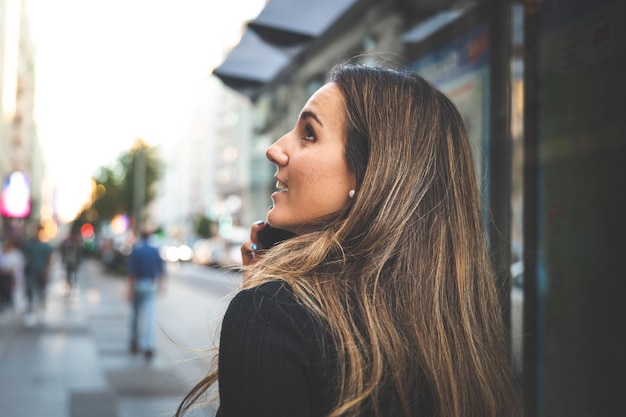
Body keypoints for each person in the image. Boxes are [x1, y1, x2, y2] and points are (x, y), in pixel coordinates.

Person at [176, 62, 521, 417]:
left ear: (373, 175)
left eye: (309, 133)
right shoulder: (458, 335)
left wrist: (262, 303)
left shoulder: (273, 316)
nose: (276, 149)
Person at [127, 228, 165, 360]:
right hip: (150, 285)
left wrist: (130, 291)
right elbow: (161, 270)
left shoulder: (136, 250)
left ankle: (134, 341)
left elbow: (132, 273)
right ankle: (148, 346)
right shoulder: (155, 250)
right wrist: (161, 286)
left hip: (138, 285)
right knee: (150, 317)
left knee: (136, 315)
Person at [22, 224, 53, 326]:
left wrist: (47, 270)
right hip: (31, 271)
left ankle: (43, 311)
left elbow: (49, 259)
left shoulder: (45, 246)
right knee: (30, 291)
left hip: (41, 271)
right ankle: (30, 312)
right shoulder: (30, 245)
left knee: (42, 292)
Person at [0, 236, 25, 313]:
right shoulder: (3, 253)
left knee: (12, 294)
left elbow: (18, 268)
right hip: (3, 277)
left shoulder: (17, 255)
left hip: (11, 278)